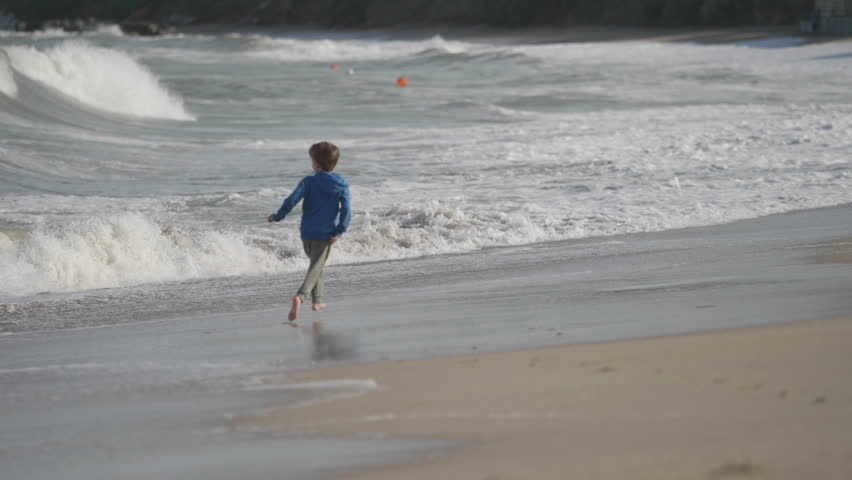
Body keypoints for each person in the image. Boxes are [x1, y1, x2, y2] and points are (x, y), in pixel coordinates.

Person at [268, 142, 351, 322]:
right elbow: (346, 211)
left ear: (316, 164)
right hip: (326, 233)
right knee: (316, 266)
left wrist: (278, 216)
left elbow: (291, 201)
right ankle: (301, 296)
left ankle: (318, 301)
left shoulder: (309, 182)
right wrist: (339, 231)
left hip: (306, 232)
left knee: (317, 266)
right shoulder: (341, 185)